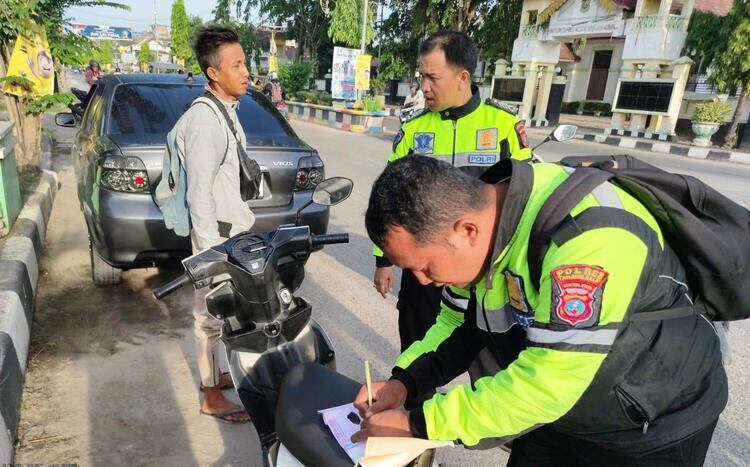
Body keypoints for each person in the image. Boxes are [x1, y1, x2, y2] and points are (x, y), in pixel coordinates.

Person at [353, 155, 728, 466]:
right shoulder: (490, 226)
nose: (420, 281)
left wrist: (419, 424)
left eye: (424, 266)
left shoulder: (591, 239)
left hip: (652, 428)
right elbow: (467, 328)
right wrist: (405, 383)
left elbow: (547, 385)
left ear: (465, 231)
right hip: (563, 415)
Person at [373, 30, 532, 357]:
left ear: (462, 77)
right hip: (424, 267)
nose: (423, 87)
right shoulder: (415, 129)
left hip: (484, 269)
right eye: (421, 77)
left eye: (432, 77)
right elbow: (388, 202)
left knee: (486, 357)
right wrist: (384, 261)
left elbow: (525, 197)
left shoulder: (502, 125)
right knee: (416, 350)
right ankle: (411, 403)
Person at [167, 24, 254, 424]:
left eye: (245, 62)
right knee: (208, 318)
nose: (246, 71)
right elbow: (198, 194)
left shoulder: (226, 112)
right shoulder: (206, 120)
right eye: (236, 65)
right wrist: (207, 256)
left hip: (227, 233)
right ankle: (210, 395)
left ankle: (217, 376)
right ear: (213, 73)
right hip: (214, 239)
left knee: (221, 316)